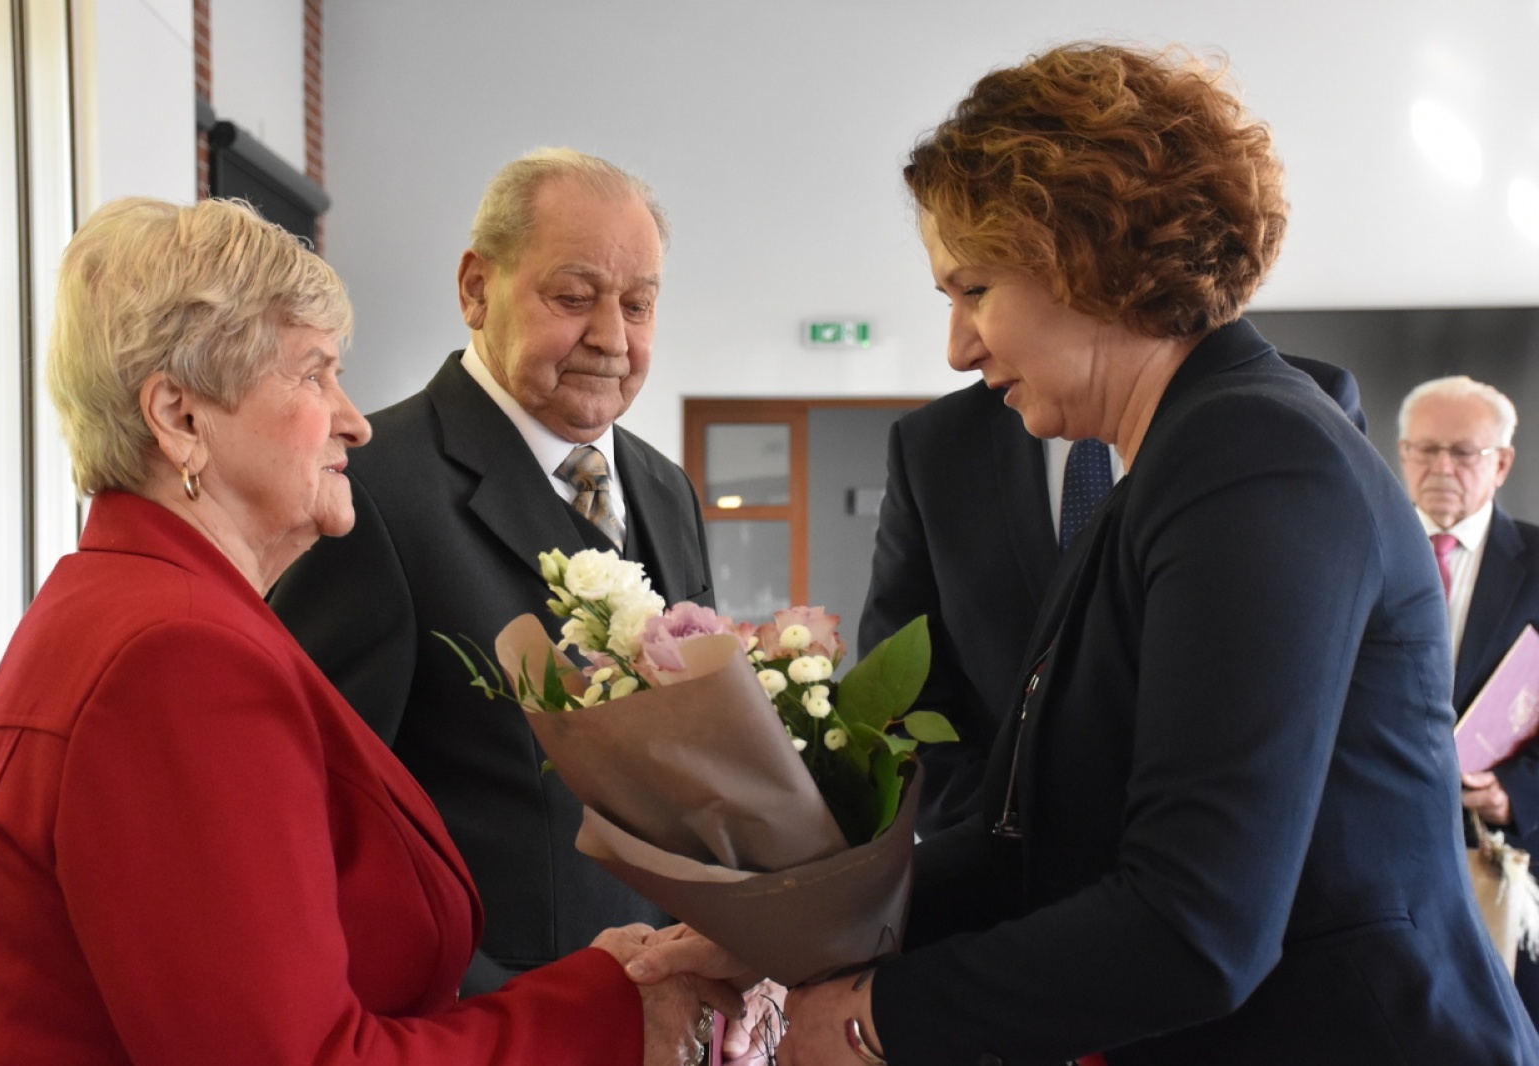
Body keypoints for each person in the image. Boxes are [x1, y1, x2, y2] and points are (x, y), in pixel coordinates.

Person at [631, 43, 1539, 1064]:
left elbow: (1195, 926)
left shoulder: (1254, 457)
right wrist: (779, 939)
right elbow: (1038, 842)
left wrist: (872, 1020)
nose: (957, 348)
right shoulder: (1170, 458)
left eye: (972, 288)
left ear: (1088, 255)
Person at [0, 196, 729, 1065]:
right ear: (179, 417)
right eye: (313, 374)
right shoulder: (176, 659)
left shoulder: (141, 611)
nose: (353, 420)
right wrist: (600, 1008)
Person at [268, 148, 714, 996]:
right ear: (476, 287)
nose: (613, 339)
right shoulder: (371, 494)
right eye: (574, 298)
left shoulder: (665, 490)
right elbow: (312, 827)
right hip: (492, 1021)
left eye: (640, 304)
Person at [861, 359, 1368, 837]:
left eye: (978, 291)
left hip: (1241, 852)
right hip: (1013, 866)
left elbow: (1333, 670)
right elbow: (901, 690)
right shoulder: (935, 444)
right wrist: (1005, 839)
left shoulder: (1294, 405)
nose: (959, 351)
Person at [1397, 374, 1539, 1023]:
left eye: (1463, 452)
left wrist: (1513, 793)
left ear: (1503, 462)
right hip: (1379, 870)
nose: (1440, 468)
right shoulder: (1362, 550)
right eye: (1424, 450)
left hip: (1501, 866)